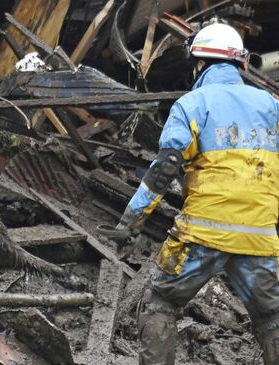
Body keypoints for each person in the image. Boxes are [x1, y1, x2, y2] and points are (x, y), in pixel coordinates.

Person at [114, 22, 279, 364]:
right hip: (259, 238)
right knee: (272, 318)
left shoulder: (193, 103)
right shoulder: (270, 105)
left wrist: (130, 221)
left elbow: (164, 171)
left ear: (200, 63)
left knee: (159, 304)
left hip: (202, 234)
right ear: (240, 64)